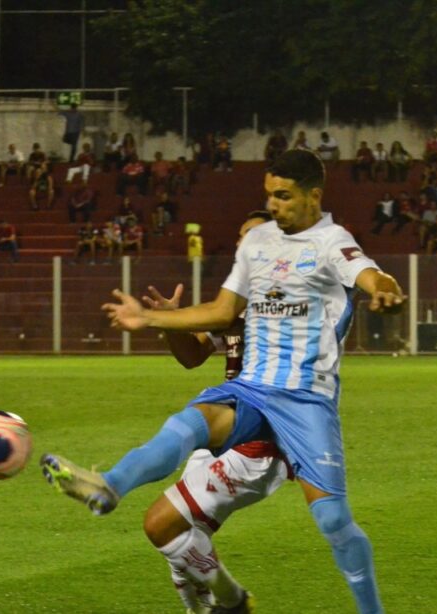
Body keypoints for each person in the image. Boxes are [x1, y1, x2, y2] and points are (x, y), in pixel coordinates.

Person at [41, 150, 399, 614]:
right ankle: (109, 486)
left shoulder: (331, 241)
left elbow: (369, 273)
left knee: (333, 519)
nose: (274, 204)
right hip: (251, 389)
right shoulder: (257, 246)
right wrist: (153, 317)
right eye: (269, 194)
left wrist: (384, 289)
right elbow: (223, 310)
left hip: (305, 399)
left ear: (314, 196)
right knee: (189, 423)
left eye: (284, 196)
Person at [142, 211, 282, 613]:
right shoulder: (235, 299)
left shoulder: (289, 300)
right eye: (240, 237)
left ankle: (233, 601)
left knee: (163, 524)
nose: (241, 244)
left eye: (252, 235)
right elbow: (194, 355)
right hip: (224, 426)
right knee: (182, 537)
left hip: (259, 436)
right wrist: (172, 324)